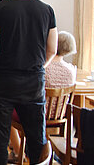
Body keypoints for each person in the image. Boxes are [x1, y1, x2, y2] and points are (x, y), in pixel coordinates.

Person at [0, 0, 57, 164]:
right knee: (36, 141)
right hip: (34, 83)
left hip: (3, 83)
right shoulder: (46, 10)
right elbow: (52, 49)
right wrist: (40, 67)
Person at [8, 31, 77, 161]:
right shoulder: (71, 71)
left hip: (38, 114)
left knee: (8, 111)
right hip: (59, 115)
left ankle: (18, 152)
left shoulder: (41, 68)